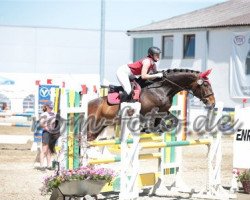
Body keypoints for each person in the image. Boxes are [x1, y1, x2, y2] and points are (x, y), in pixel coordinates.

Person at [39, 101, 56, 170]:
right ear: (46, 107)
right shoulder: (44, 114)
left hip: (52, 133)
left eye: (52, 107)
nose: (51, 109)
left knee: (49, 150)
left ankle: (49, 165)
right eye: (50, 107)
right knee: (44, 149)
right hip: (46, 133)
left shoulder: (54, 113)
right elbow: (41, 124)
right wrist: (47, 128)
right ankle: (41, 166)